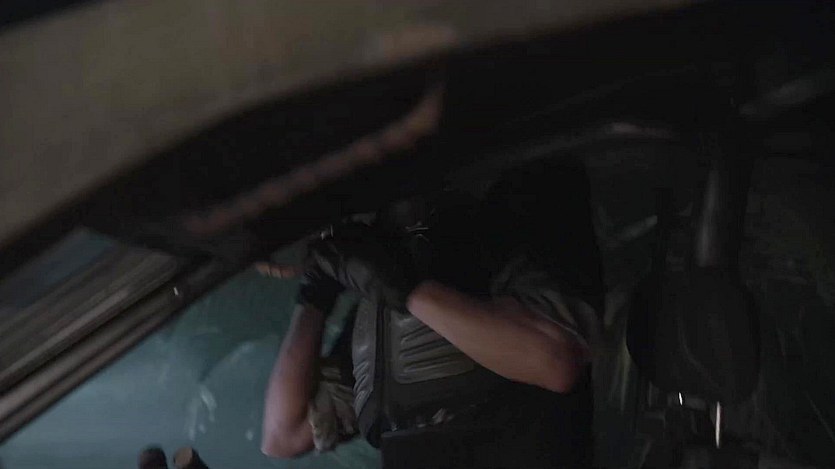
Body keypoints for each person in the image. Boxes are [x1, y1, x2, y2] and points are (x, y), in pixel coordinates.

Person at [261, 160, 604, 468]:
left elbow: (555, 360)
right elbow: (284, 435)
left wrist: (406, 291)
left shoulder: (509, 209)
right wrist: (315, 293)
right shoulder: (383, 318)